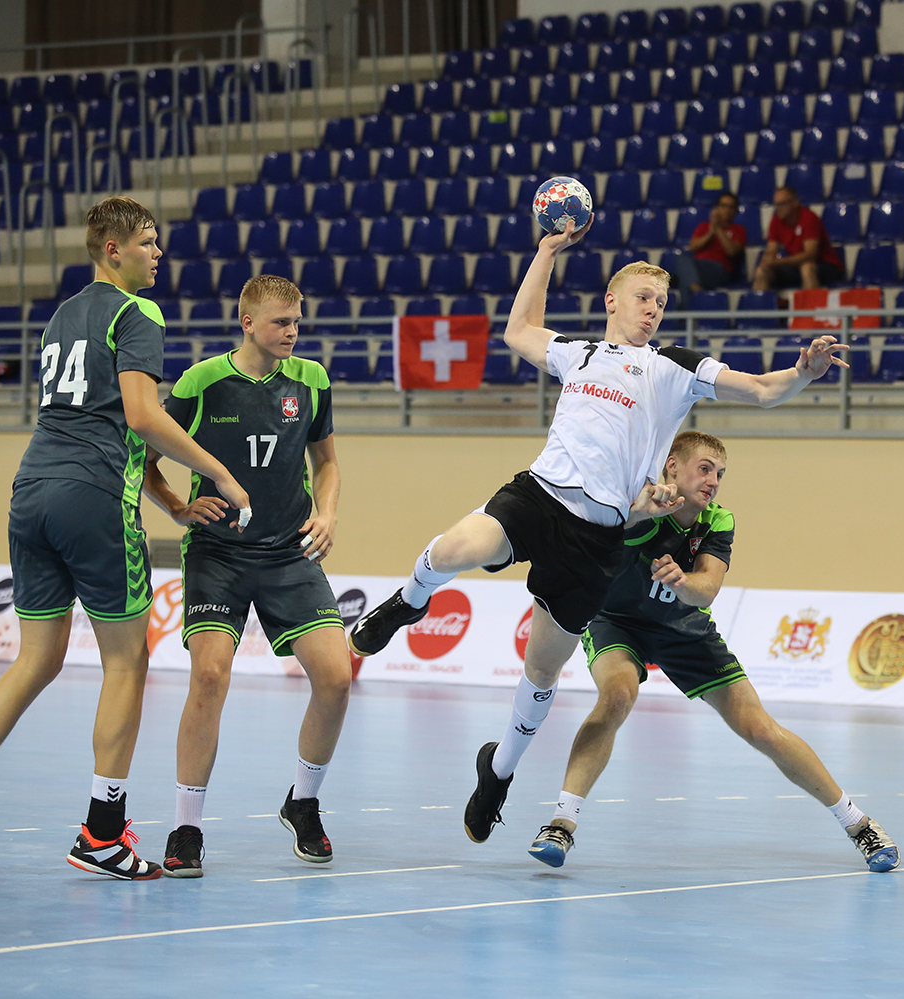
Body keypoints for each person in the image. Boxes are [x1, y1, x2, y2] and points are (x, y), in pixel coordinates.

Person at [347, 215, 849, 846]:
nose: (654, 311)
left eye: (662, 303)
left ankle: (498, 772)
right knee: (454, 549)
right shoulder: (579, 353)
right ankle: (406, 604)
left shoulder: (673, 368)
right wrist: (547, 249)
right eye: (644, 298)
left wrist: (802, 371)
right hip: (540, 496)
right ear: (612, 301)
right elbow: (518, 330)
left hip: (596, 538)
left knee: (542, 675)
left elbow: (761, 389)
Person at [0, 197, 251, 881]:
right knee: (126, 663)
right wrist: (217, 473)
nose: (158, 253)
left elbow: (103, 421)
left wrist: (168, 504)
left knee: (33, 660)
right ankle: (102, 834)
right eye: (148, 243)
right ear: (112, 251)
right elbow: (139, 415)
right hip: (92, 503)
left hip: (30, 492)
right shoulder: (139, 314)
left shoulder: (61, 316)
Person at [527, 432, 899, 873]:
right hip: (616, 621)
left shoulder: (718, 520)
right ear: (672, 467)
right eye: (705, 468)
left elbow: (707, 590)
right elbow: (614, 533)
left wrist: (683, 583)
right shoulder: (639, 504)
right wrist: (640, 510)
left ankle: (859, 824)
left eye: (720, 473)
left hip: (683, 627)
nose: (714, 480)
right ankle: (561, 824)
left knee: (760, 729)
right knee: (617, 696)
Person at [139, 274, 346, 878]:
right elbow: (147, 461)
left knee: (335, 679)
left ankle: (302, 803)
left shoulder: (311, 379)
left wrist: (327, 513)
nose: (292, 331)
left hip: (288, 555)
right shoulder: (200, 381)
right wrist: (178, 507)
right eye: (281, 321)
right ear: (247, 320)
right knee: (209, 676)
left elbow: (327, 460)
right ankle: (186, 826)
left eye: (297, 321)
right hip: (218, 555)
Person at [752, 186, 845, 291]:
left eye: (782, 204)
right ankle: (760, 306)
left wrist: (778, 262)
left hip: (824, 265)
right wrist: (768, 260)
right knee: (762, 271)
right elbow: (771, 250)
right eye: (776, 204)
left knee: (807, 268)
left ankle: (809, 305)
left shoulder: (809, 218)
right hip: (795, 267)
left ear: (795, 202)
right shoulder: (776, 220)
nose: (778, 208)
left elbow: (810, 254)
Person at [675, 192, 746, 294]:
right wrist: (710, 233)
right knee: (682, 260)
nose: (727, 210)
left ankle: (693, 297)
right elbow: (693, 247)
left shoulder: (739, 229)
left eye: (731, 207)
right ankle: (696, 290)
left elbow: (731, 251)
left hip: (720, 269)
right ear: (717, 208)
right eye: (723, 206)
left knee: (685, 277)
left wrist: (718, 228)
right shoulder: (703, 226)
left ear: (735, 211)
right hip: (699, 267)